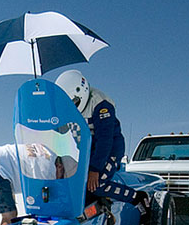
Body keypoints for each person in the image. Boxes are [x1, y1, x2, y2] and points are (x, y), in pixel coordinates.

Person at [55, 70, 148, 216]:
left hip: (110, 150)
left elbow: (105, 139)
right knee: (76, 184)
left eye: (74, 103)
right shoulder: (68, 106)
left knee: (96, 185)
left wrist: (95, 169)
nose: (72, 108)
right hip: (87, 151)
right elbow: (59, 130)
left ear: (82, 92)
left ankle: (137, 198)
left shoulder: (100, 104)